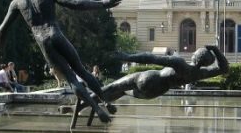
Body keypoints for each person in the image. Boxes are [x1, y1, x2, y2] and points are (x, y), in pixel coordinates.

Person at [0, 0, 121, 123]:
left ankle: (98, 110)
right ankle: (105, 101)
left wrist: (0, 51)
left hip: (43, 42)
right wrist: (102, 4)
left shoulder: (17, 2)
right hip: (56, 34)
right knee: (81, 70)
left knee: (71, 78)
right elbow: (75, 3)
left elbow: (2, 29)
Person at [96, 45, 229, 105]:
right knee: (123, 92)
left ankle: (88, 100)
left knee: (112, 87)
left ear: (194, 55)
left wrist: (128, 57)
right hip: (155, 92)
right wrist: (216, 50)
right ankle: (98, 103)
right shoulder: (200, 74)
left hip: (149, 78)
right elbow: (224, 68)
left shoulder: (180, 63)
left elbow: (151, 58)